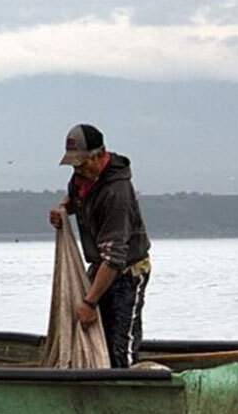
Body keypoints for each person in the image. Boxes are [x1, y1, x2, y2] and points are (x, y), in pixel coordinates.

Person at [49, 123, 152, 368]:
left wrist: (89, 302)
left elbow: (114, 258)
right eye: (74, 164)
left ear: (100, 155)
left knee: (119, 347)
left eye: (82, 163)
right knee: (94, 339)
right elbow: (77, 198)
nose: (78, 169)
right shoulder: (82, 178)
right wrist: (64, 208)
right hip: (100, 266)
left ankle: (129, 391)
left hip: (127, 272)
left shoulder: (116, 193)